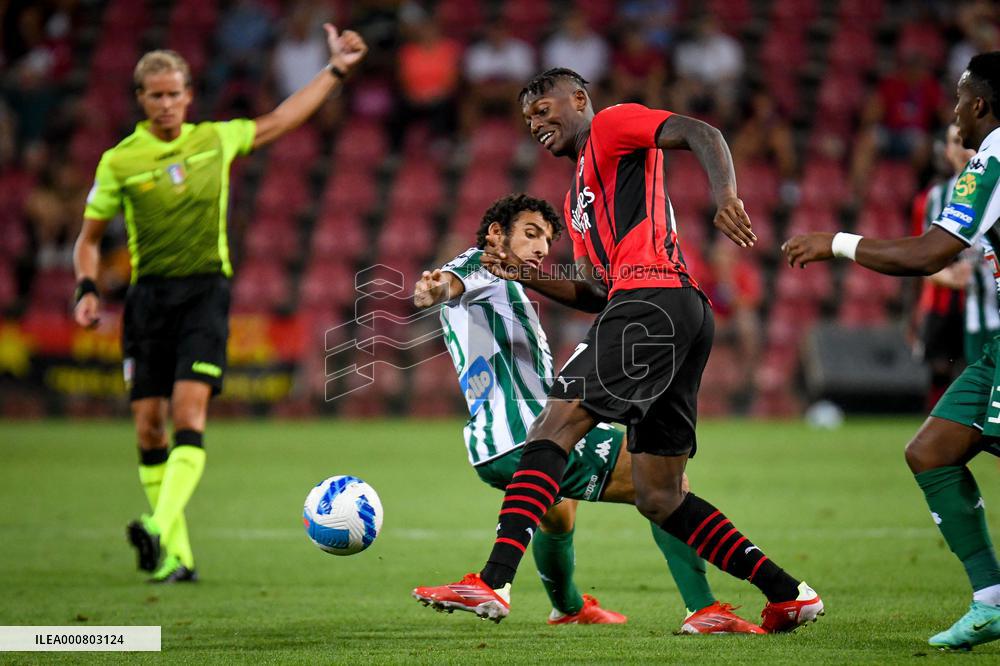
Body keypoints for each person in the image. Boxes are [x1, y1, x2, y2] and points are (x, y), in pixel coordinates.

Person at [413, 68, 823, 633]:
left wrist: (726, 196)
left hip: (652, 299)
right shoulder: (576, 201)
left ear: (579, 99)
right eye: (528, 119)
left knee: (552, 426)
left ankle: (494, 581)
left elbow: (700, 132)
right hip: (673, 311)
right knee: (660, 495)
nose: (536, 124)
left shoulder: (611, 125)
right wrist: (523, 273)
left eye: (543, 109)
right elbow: (593, 291)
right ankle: (788, 594)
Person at [72, 26, 368, 583]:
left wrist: (335, 71)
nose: (166, 104)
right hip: (147, 298)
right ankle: (177, 557)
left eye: (174, 93)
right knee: (149, 429)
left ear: (189, 95)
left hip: (205, 292)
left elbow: (281, 119)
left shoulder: (215, 139)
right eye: (156, 95)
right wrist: (86, 287)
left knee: (188, 414)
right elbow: (87, 240)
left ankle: (156, 528)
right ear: (141, 99)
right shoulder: (119, 162)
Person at [412, 193, 762, 633]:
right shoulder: (481, 264)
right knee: (665, 483)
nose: (541, 248)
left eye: (547, 240)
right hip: (525, 430)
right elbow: (451, 282)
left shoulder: (506, 283)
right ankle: (703, 607)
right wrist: (433, 288)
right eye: (531, 234)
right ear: (497, 234)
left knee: (558, 512)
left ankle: (569, 607)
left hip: (490, 445)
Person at [782, 53, 1000, 650]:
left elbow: (927, 254)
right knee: (931, 451)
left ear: (981, 103)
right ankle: (990, 601)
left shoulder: (991, 158)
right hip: (995, 347)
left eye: (960, 99)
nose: (954, 111)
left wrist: (835, 242)